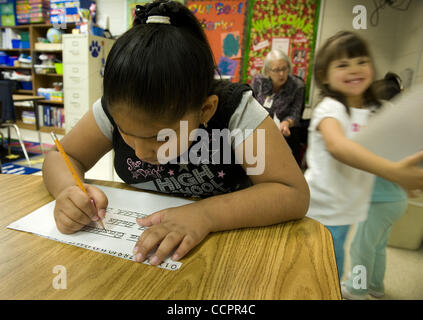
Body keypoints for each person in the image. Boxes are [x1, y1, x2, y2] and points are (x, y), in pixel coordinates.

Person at [42, 0, 309, 267]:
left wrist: (205, 214)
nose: (141, 152)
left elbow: (291, 193)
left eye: (160, 138)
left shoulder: (235, 110)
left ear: (205, 110)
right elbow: (61, 156)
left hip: (228, 255)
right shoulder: (118, 106)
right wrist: (68, 190)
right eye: (126, 132)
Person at [304, 31, 423, 281]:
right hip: (321, 209)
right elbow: (339, 148)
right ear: (325, 75)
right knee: (322, 271)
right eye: (343, 65)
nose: (354, 69)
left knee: (330, 267)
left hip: (348, 209)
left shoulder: (372, 112)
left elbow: (380, 152)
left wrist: (403, 176)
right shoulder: (330, 108)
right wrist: (394, 173)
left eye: (362, 61)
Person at [341, 73, 408, 300]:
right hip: (396, 202)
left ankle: (356, 287)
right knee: (378, 246)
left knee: (361, 246)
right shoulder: (399, 134)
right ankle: (375, 285)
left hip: (378, 203)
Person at [251, 49, 305, 164]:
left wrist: (286, 123)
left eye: (284, 69)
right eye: (276, 70)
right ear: (267, 71)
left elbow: (296, 113)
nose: (281, 74)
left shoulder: (297, 85)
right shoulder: (258, 81)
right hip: (260, 130)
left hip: (284, 133)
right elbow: (252, 106)